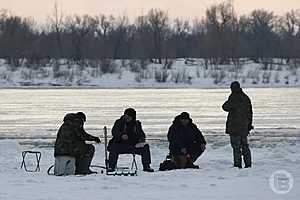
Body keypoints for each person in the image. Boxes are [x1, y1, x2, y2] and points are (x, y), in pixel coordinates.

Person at [107, 108, 154, 172]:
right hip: (120, 144)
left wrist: (140, 142)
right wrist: (121, 135)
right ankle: (111, 167)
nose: (127, 118)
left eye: (129, 116)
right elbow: (114, 132)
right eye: (126, 116)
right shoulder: (119, 122)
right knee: (114, 147)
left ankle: (146, 166)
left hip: (133, 145)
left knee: (145, 147)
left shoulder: (137, 124)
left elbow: (142, 135)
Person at [222, 81, 253, 168]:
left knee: (236, 147)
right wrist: (249, 125)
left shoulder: (234, 97)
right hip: (244, 127)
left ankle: (237, 165)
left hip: (234, 127)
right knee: (245, 146)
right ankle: (248, 164)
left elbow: (225, 107)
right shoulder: (245, 97)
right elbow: (250, 113)